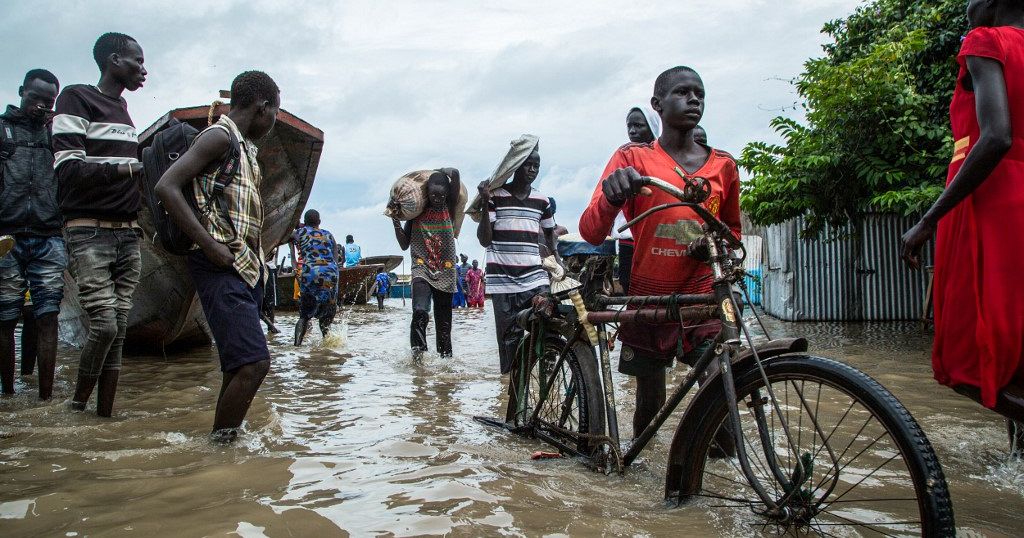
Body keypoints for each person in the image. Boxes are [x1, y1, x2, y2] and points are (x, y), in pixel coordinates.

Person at [579, 66, 741, 439]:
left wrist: (711, 243)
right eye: (682, 92)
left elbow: (732, 233)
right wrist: (612, 194)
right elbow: (591, 230)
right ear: (658, 104)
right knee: (648, 407)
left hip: (703, 302)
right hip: (649, 300)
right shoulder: (632, 159)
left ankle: (714, 482)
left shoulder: (724, 166)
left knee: (723, 401)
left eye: (699, 93)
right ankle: (639, 480)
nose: (694, 99)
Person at [902, 1, 1024, 416]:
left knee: (963, 363)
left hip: (993, 204)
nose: (968, 6)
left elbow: (997, 137)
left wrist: (928, 220)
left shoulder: (985, 41)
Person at [155, 70, 280, 442]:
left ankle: (221, 445)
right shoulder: (220, 137)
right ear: (263, 106)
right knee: (255, 364)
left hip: (243, 268)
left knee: (237, 365)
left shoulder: (244, 148)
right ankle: (220, 450)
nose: (273, 120)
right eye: (275, 111)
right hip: (218, 265)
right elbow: (167, 186)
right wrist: (210, 246)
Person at [53, 33, 146, 416]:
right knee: (105, 326)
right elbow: (68, 168)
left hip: (127, 234)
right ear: (113, 60)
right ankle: (77, 406)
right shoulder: (76, 98)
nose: (143, 68)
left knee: (119, 330)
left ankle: (105, 417)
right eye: (137, 61)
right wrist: (127, 168)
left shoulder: (123, 109)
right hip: (89, 231)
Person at [0, 69, 64, 400]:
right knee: (6, 316)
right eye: (34, 98)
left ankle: (45, 398)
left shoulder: (57, 135)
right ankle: (9, 393)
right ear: (21, 91)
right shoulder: (3, 130)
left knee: (48, 314)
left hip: (49, 234)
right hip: (6, 236)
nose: (40, 106)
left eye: (48, 101)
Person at [477, 147, 557, 374]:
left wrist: (558, 263)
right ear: (515, 166)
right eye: (528, 164)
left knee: (546, 319)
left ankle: (548, 372)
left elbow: (550, 233)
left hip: (534, 277)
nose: (532, 170)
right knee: (509, 343)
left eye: (536, 166)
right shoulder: (496, 197)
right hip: (503, 281)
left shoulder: (542, 201)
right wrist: (484, 203)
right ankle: (510, 395)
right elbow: (484, 240)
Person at [393, 168, 461, 360]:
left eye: (441, 194)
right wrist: (395, 221)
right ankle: (418, 358)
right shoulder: (415, 213)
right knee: (420, 311)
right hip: (421, 268)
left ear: (447, 194)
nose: (437, 198)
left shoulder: (449, 207)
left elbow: (455, 174)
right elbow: (404, 244)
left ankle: (445, 361)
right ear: (427, 193)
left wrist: (440, 171)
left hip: (445, 271)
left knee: (444, 322)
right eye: (433, 194)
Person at [614, 105, 662, 294]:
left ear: (652, 127)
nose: (632, 131)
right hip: (629, 239)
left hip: (656, 237)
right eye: (629, 126)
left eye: (638, 126)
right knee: (630, 287)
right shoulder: (624, 158)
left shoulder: (663, 160)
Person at [289, 209, 340, 344]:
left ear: (304, 223)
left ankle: (297, 346)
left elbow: (283, 236)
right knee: (326, 318)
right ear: (320, 222)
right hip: (331, 274)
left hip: (310, 273)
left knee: (304, 316)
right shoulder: (329, 235)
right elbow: (336, 259)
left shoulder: (299, 233)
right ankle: (327, 347)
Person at [260, 246, 280, 334]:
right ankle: (271, 326)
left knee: (270, 301)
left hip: (267, 266)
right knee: (260, 301)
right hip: (261, 266)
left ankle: (271, 326)